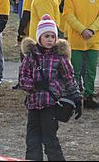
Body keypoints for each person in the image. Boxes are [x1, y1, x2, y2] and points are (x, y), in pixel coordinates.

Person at [19, 14, 82, 161]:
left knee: (50, 139)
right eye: (46, 36)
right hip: (34, 104)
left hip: (51, 105)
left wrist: (77, 98)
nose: (50, 39)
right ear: (39, 37)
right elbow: (22, 79)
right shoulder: (30, 57)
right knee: (32, 139)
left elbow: (69, 79)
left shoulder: (60, 57)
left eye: (52, 36)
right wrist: (34, 85)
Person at [63, 0, 99, 109]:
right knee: (74, 70)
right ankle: (73, 97)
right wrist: (82, 30)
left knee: (91, 69)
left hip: (93, 39)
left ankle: (88, 96)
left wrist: (92, 30)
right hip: (77, 39)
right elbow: (68, 14)